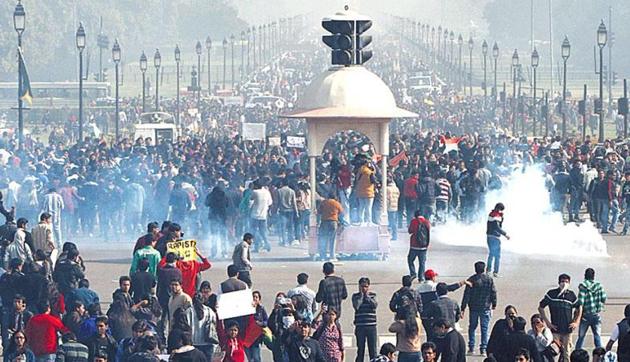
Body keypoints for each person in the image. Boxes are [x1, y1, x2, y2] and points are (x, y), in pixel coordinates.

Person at [538, 273, 580, 362]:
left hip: (567, 330)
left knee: (567, 354)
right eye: (562, 281)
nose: (564, 283)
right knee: (554, 352)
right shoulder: (552, 294)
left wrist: (576, 321)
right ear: (558, 282)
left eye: (566, 282)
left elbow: (579, 308)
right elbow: (541, 307)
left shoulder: (571, 295)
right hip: (555, 329)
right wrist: (547, 323)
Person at [461, 261, 497, 356]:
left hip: (473, 307)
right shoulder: (489, 279)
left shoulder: (471, 279)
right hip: (485, 307)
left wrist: (463, 308)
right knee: (484, 328)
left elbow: (466, 295)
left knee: (472, 327)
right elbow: (493, 292)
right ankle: (483, 349)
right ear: (484, 269)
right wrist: (494, 303)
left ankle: (471, 347)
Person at [575, 267, 607, 350]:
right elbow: (604, 298)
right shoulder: (599, 286)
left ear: (585, 275)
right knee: (597, 336)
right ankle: (600, 356)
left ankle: (577, 355)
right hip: (596, 315)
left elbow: (580, 302)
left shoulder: (583, 286)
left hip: (585, 315)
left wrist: (577, 316)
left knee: (581, 337)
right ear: (593, 276)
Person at [351, 277, 378, 362]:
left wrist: (367, 297)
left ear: (369, 286)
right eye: (362, 286)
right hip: (360, 326)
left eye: (366, 286)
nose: (364, 288)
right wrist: (362, 296)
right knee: (360, 350)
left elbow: (375, 305)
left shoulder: (373, 295)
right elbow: (356, 306)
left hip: (371, 326)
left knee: (373, 350)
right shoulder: (355, 296)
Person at [486, 203, 510, 277]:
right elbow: (497, 227)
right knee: (497, 255)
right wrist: (505, 234)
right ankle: (495, 272)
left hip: (489, 236)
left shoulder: (491, 214)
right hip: (495, 237)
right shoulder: (496, 216)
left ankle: (488, 271)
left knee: (491, 254)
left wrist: (501, 218)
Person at [318, 193, 343, 261]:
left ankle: (323, 256)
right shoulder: (337, 203)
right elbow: (341, 212)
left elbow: (319, 211)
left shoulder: (324, 202)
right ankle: (332, 256)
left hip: (324, 222)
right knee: (332, 240)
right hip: (333, 222)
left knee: (324, 239)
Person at [407, 210, 430, 280]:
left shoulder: (414, 221)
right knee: (422, 263)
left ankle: (413, 273)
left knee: (410, 260)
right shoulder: (427, 222)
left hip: (414, 246)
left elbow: (410, 231)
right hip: (423, 246)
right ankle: (421, 277)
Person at [245, 291, 268, 362]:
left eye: (256, 297)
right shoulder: (246, 309)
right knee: (250, 358)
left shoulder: (261, 309)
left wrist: (260, 324)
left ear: (259, 299)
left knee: (256, 357)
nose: (254, 298)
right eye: (253, 297)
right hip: (247, 337)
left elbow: (266, 321)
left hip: (256, 338)